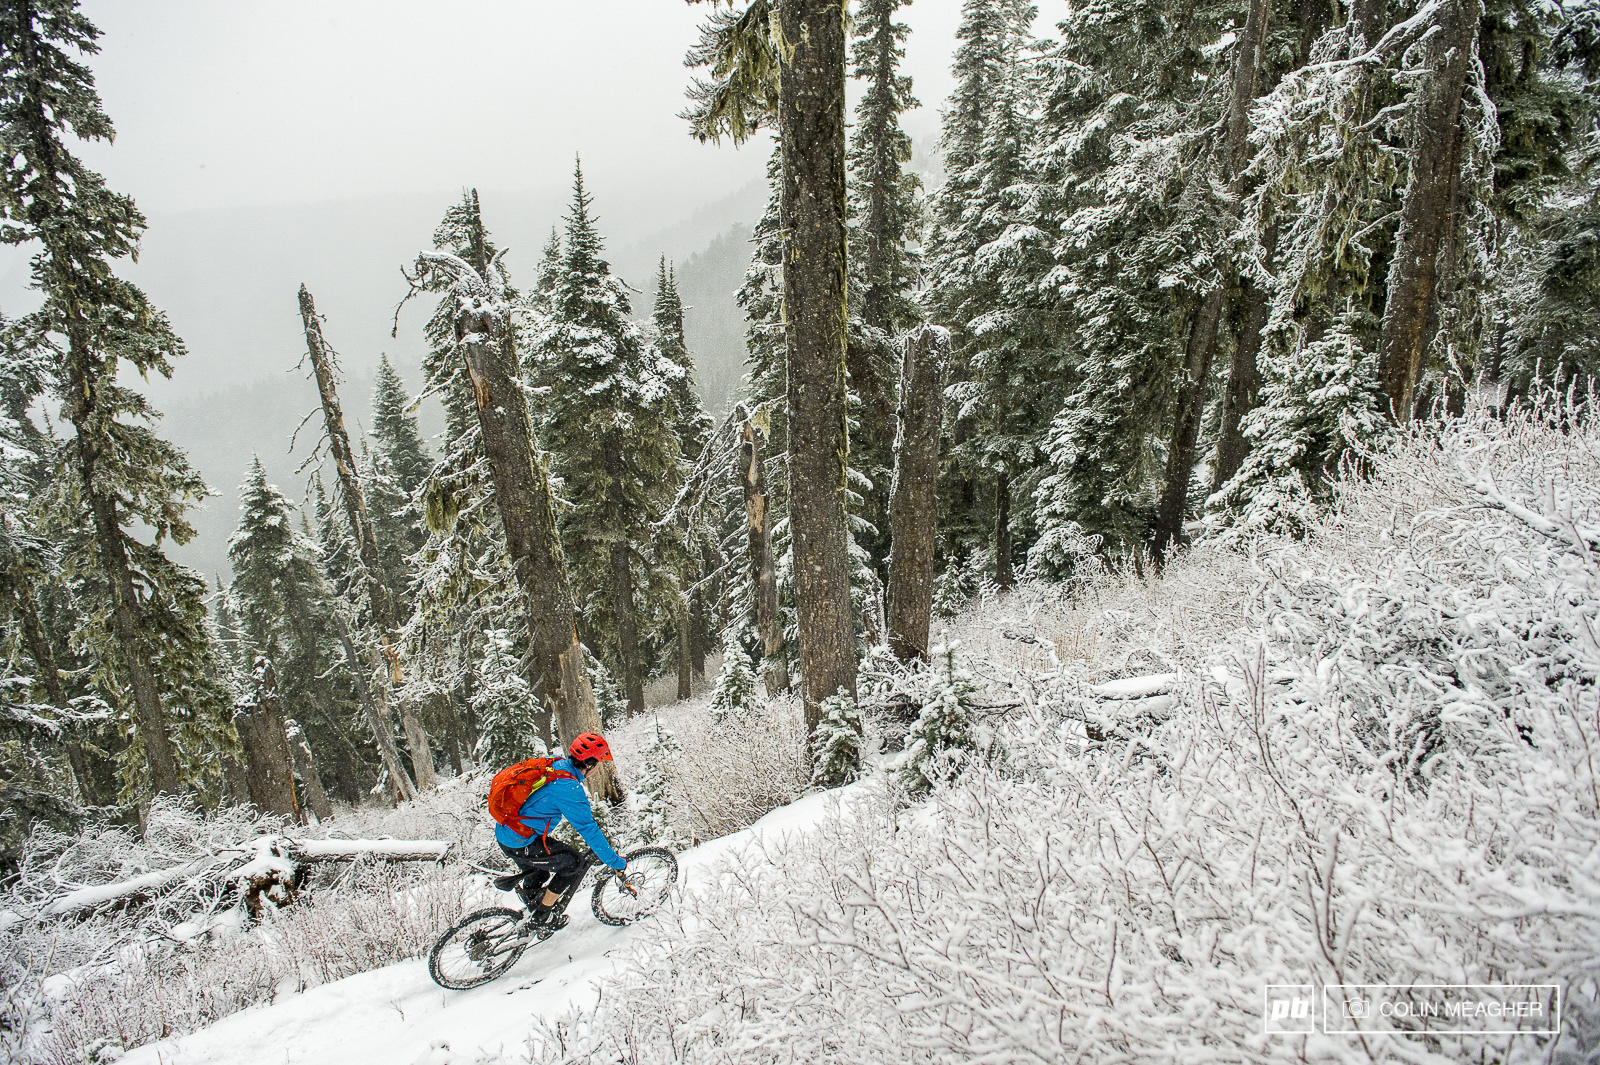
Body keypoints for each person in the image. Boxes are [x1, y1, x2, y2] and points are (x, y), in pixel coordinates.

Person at [495, 732, 626, 930]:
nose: (598, 767)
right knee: (574, 863)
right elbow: (589, 829)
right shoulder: (569, 788)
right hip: (521, 841)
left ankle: (532, 907)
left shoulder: (555, 763)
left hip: (506, 832)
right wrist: (614, 862)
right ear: (589, 765)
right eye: (598, 763)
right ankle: (542, 916)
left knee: (540, 873)